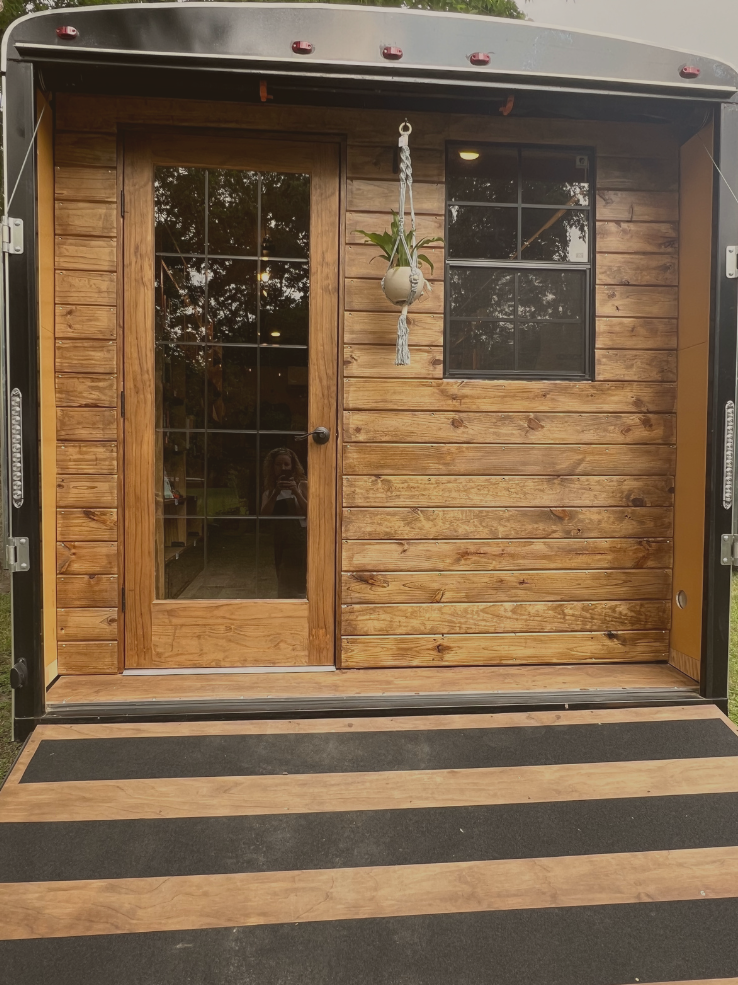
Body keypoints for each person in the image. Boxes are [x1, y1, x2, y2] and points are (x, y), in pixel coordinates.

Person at [261, 447, 308, 598]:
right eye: (278, 464)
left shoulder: (303, 486)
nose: (283, 468)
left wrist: (295, 491)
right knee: (283, 578)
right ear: (272, 467)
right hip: (280, 540)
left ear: (292, 466)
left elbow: (312, 512)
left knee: (300, 579)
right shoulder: (269, 492)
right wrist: (275, 493)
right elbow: (264, 516)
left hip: (300, 539)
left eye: (286, 464)